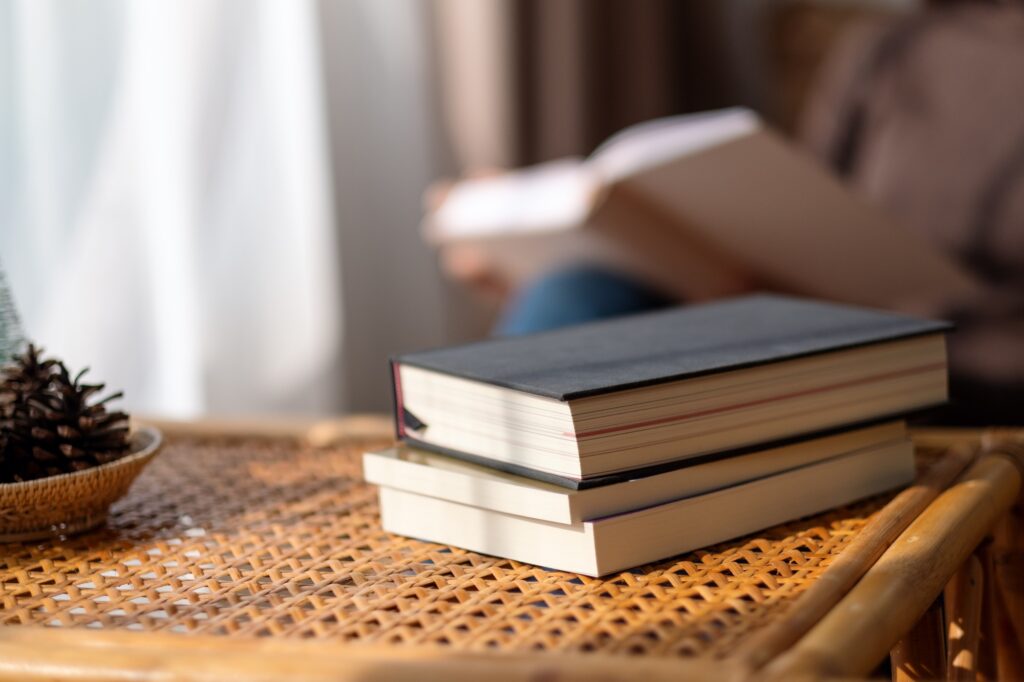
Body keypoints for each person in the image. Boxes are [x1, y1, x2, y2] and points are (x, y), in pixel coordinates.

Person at [431, 1, 1024, 425]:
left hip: (958, 366)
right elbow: (804, 213)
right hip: (817, 327)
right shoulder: (892, 50)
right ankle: (487, 558)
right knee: (580, 288)